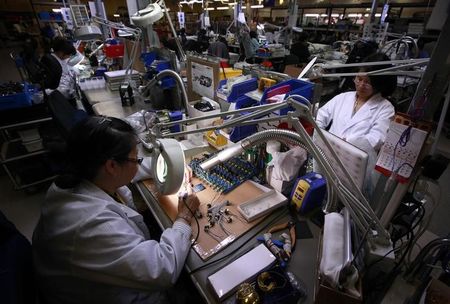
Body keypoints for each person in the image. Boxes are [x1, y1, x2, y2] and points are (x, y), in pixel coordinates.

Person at [33, 116, 200, 304]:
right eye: (135, 158)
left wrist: (176, 167)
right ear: (112, 165)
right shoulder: (89, 224)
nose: (139, 162)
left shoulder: (84, 173)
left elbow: (136, 167)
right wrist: (184, 218)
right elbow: (162, 269)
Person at [316, 53, 397, 196]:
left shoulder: (385, 108)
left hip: (354, 165)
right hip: (327, 154)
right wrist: (319, 133)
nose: (361, 84)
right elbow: (321, 115)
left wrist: (350, 145)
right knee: (321, 190)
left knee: (346, 199)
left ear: (379, 84)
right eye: (359, 78)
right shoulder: (343, 97)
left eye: (368, 82)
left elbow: (377, 138)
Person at [49, 37, 77, 104]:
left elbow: (67, 72)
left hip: (63, 90)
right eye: (68, 55)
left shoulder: (59, 59)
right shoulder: (53, 63)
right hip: (59, 95)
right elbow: (59, 83)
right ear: (61, 53)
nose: (69, 57)